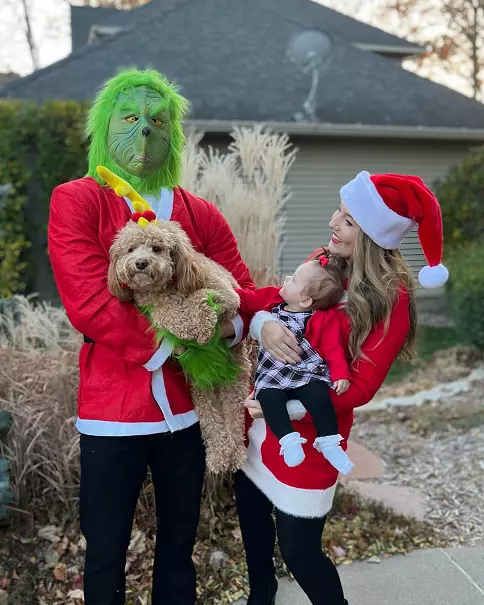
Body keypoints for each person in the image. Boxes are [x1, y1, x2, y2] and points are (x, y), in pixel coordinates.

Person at [47, 69, 253, 605]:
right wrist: (190, 340)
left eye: (158, 122)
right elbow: (90, 303)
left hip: (186, 413)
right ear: (104, 124)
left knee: (179, 543)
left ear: (174, 133)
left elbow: (242, 290)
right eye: (130, 119)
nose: (143, 135)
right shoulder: (78, 199)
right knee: (106, 547)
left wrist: (233, 324)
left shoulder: (196, 212)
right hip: (112, 412)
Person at [229, 171, 449, 605]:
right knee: (253, 523)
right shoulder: (326, 262)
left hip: (312, 435)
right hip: (259, 422)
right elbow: (279, 298)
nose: (333, 222)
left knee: (298, 549)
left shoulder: (392, 298)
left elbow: (362, 386)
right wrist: (264, 322)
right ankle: (261, 597)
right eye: (339, 212)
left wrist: (287, 407)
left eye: (348, 220)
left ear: (371, 235)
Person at [235, 256, 354, 474]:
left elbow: (333, 349)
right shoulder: (273, 299)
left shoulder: (323, 318)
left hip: (305, 371)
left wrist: (340, 375)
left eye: (294, 280)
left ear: (306, 300)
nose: (287, 279)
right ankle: (288, 442)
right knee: (268, 397)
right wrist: (225, 295)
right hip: (273, 373)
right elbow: (246, 299)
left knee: (319, 395)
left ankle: (329, 443)